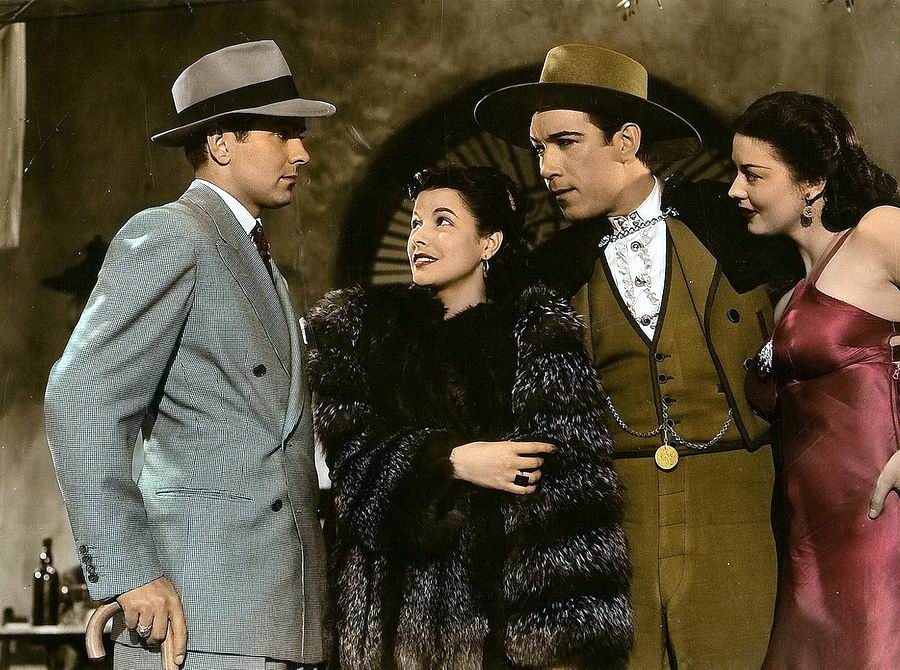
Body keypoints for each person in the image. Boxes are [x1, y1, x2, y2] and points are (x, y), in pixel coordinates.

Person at [475, 44, 794, 669]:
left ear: (626, 140)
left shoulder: (736, 224)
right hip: (619, 529)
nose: (546, 167)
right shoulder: (551, 272)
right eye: (538, 149)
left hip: (741, 513)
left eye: (565, 142)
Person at [44, 40, 334, 670]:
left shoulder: (254, 258)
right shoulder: (172, 234)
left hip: (272, 623)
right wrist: (130, 573)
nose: (302, 153)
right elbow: (80, 395)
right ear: (221, 144)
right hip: (197, 620)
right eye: (283, 134)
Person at [307, 165, 632, 669]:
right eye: (416, 223)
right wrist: (452, 461)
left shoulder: (536, 339)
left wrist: (565, 647)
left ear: (489, 243)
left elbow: (572, 509)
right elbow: (353, 478)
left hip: (504, 631)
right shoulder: (363, 332)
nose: (420, 237)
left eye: (443, 222)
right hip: (390, 636)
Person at [732, 91, 900, 669]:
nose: (734, 190)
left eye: (753, 174)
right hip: (806, 546)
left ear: (812, 183)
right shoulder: (788, 301)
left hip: (878, 524)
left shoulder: (878, 233)